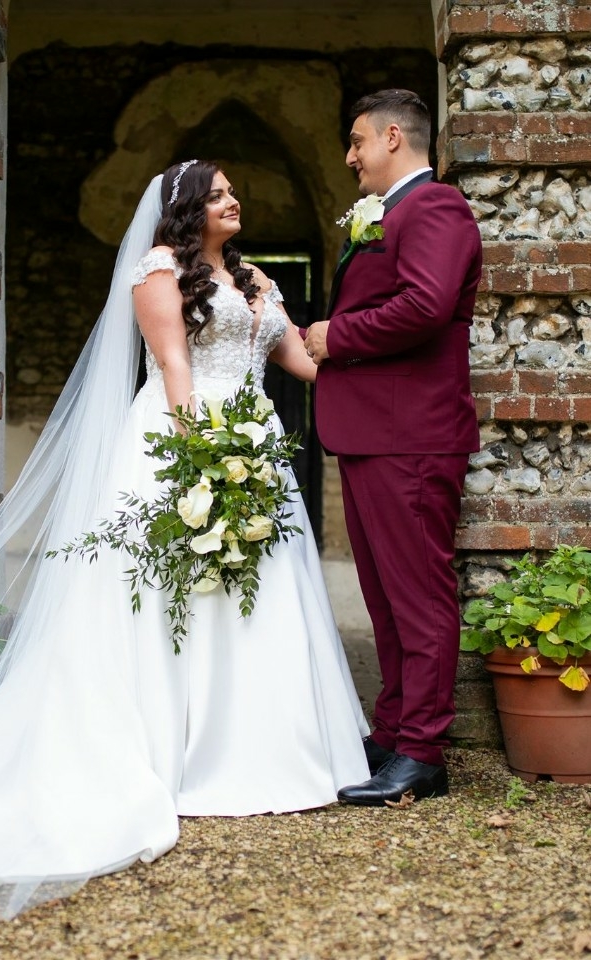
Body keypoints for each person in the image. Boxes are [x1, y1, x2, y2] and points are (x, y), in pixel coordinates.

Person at [0, 160, 369, 925]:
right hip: (183, 443)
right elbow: (174, 367)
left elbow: (298, 360)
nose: (237, 201)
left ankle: (269, 750)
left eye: (237, 191)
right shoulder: (157, 270)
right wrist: (208, 464)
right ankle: (181, 752)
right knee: (187, 591)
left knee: (260, 595)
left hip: (257, 443)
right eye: (223, 193)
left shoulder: (257, 277)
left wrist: (371, 349)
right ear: (188, 207)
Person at [304, 90, 482, 806]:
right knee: (383, 599)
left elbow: (427, 303)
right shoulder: (389, 212)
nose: (349, 157)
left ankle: (423, 752)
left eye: (355, 142)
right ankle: (394, 730)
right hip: (377, 433)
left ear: (392, 136)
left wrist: (333, 336)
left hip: (413, 435)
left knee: (419, 597)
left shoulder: (435, 207)